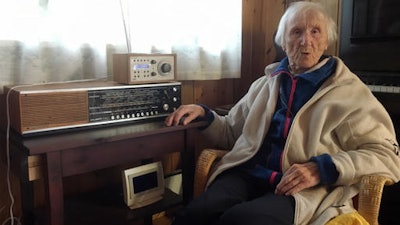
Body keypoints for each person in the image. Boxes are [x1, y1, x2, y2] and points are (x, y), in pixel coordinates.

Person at [164, 2, 400, 225]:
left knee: (241, 220)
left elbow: (386, 155)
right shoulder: (266, 84)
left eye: (315, 31)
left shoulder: (349, 92)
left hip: (302, 189)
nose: (305, 41)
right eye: (296, 32)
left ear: (327, 40)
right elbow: (231, 133)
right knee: (194, 215)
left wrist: (322, 168)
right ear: (283, 42)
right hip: (248, 175)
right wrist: (204, 115)